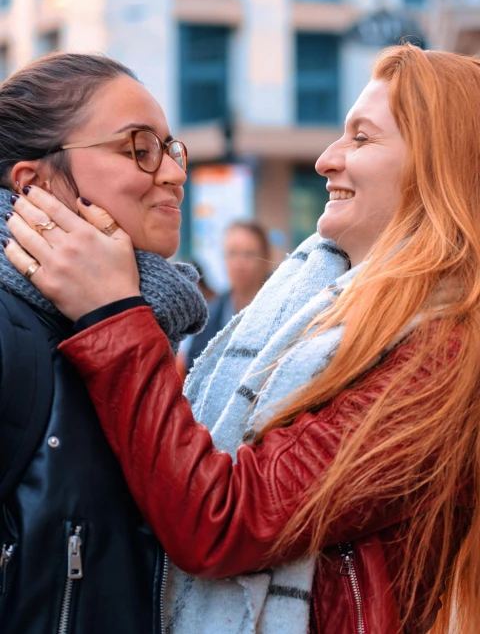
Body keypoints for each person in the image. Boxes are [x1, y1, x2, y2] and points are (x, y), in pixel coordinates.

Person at [4, 44, 480, 634]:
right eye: (138, 149)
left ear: (443, 166)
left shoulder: (448, 354)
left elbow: (224, 519)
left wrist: (114, 317)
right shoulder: (319, 314)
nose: (326, 160)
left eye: (361, 138)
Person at [0, 52, 208, 634]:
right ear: (34, 183)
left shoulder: (146, 326)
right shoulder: (9, 327)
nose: (172, 172)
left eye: (170, 148)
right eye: (137, 147)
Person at [186, 219, 272, 371]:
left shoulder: (281, 310)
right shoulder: (209, 315)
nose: (239, 263)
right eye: (232, 254)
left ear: (266, 259)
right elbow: (192, 367)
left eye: (249, 254)